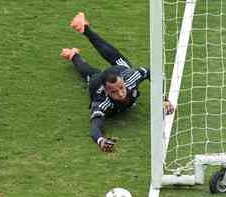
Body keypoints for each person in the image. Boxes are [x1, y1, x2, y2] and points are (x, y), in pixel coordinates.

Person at [61, 12, 174, 152]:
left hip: (121, 70)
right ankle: (73, 55)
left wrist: (164, 99)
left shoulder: (131, 78)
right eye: (114, 91)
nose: (121, 93)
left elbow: (153, 73)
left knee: (116, 57)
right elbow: (94, 127)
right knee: (88, 73)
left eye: (121, 88)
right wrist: (101, 141)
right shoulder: (102, 102)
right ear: (107, 91)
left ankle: (84, 28)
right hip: (97, 82)